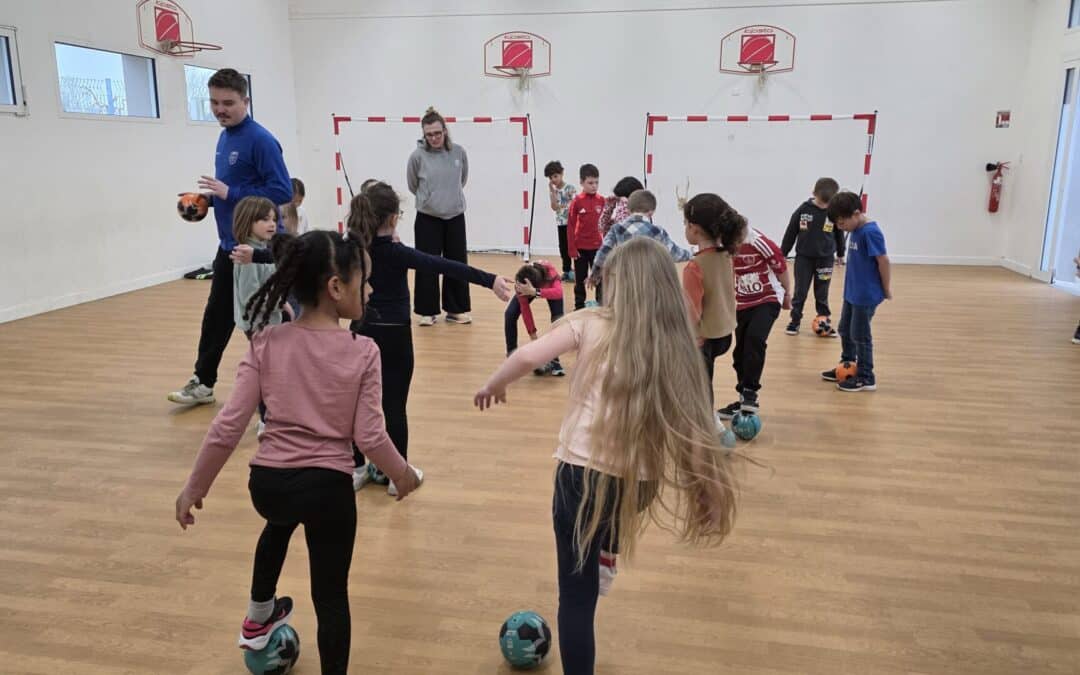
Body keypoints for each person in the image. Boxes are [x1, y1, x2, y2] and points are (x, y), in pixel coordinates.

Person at [473, 237, 739, 675]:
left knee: (576, 601)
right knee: (613, 516)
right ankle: (609, 549)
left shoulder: (591, 323)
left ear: (617, 284)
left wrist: (495, 384)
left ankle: (602, 556)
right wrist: (707, 490)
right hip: (640, 483)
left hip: (580, 477)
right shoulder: (676, 344)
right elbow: (694, 431)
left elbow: (527, 354)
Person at [174, 229, 422, 675]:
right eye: (364, 280)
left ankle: (260, 613)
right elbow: (369, 437)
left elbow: (227, 426)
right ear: (335, 288)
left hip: (267, 485)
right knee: (330, 598)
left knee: (280, 522)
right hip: (328, 490)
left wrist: (193, 488)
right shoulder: (364, 350)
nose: (370, 289)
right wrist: (403, 476)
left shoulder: (265, 342)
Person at [346, 182, 513, 493]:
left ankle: (356, 469)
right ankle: (398, 477)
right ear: (394, 219)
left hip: (360, 333)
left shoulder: (351, 251)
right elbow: (444, 265)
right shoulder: (396, 252)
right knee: (394, 406)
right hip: (395, 336)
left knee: (357, 403)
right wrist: (490, 280)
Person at [168, 68, 291, 406]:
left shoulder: (261, 140)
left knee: (266, 324)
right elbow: (229, 193)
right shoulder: (225, 137)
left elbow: (282, 190)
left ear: (246, 101)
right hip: (230, 245)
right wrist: (208, 199)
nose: (220, 109)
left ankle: (277, 402)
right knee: (217, 316)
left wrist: (230, 191)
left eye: (228, 103)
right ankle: (203, 382)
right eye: (214, 102)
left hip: (262, 249)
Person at [716, 222, 792, 419]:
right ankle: (742, 399)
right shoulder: (724, 243)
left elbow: (781, 267)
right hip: (743, 302)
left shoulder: (759, 242)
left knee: (755, 339)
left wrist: (787, 295)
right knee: (740, 353)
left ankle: (750, 392)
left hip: (768, 298)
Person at [820, 191, 892, 392]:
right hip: (852, 292)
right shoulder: (855, 230)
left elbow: (883, 261)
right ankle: (847, 366)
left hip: (866, 294)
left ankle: (866, 377)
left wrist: (886, 289)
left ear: (856, 213)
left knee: (860, 335)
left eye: (842, 223)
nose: (839, 227)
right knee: (845, 329)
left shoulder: (870, 232)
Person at [407, 107, 472, 326]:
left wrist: (448, 198)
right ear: (424, 135)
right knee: (427, 263)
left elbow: (461, 180)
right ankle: (427, 311)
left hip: (455, 217)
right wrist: (430, 200)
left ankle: (456, 310)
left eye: (437, 133)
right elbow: (413, 185)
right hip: (427, 218)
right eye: (429, 134)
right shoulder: (417, 157)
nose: (434, 138)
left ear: (445, 131)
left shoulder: (459, 153)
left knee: (457, 262)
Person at [681, 194, 745, 407]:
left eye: (685, 224)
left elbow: (692, 312)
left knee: (700, 386)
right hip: (725, 334)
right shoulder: (727, 255)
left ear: (694, 229)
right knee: (705, 380)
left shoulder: (695, 266)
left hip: (703, 340)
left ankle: (706, 423)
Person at [588, 189, 691, 286]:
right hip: (649, 281)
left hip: (623, 281)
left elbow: (603, 253)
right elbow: (674, 253)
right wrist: (691, 254)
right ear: (651, 212)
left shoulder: (616, 229)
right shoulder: (657, 231)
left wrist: (595, 274)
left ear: (628, 210)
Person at [781, 178, 844, 336]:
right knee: (800, 291)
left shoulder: (833, 213)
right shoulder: (803, 210)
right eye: (822, 202)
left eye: (827, 204)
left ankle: (823, 322)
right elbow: (791, 232)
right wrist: (783, 253)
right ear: (813, 193)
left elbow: (839, 234)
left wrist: (841, 254)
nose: (824, 206)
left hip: (825, 259)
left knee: (822, 291)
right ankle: (794, 321)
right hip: (804, 259)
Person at [506, 260, 565, 376]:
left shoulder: (551, 274)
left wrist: (535, 292)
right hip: (534, 288)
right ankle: (512, 356)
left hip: (544, 289)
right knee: (510, 313)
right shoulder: (521, 284)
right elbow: (525, 310)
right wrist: (534, 338)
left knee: (558, 319)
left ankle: (554, 360)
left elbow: (558, 293)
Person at [567, 164, 604, 310]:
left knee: (600, 279)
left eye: (596, 182)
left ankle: (601, 304)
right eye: (590, 183)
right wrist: (572, 249)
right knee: (580, 279)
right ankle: (579, 306)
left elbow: (606, 226)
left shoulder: (602, 200)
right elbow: (570, 226)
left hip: (598, 248)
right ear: (582, 182)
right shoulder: (576, 202)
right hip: (580, 248)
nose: (594, 186)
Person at [545, 161, 578, 281]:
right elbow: (554, 207)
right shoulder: (553, 191)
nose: (553, 179)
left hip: (571, 223)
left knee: (573, 246)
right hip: (561, 224)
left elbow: (576, 205)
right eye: (550, 177)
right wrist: (552, 191)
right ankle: (567, 270)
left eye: (555, 176)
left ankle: (577, 270)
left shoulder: (570, 188)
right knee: (563, 247)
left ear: (562, 173)